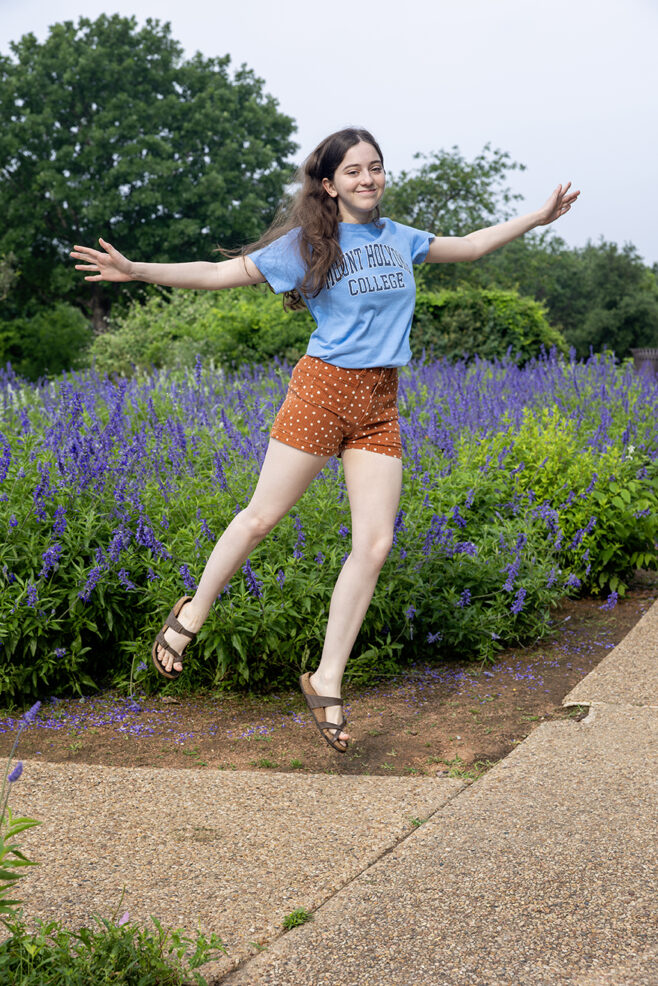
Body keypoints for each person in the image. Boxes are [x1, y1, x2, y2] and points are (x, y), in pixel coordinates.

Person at [71, 127, 579, 753]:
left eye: (377, 168)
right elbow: (219, 273)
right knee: (261, 518)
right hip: (322, 390)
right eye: (355, 171)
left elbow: (472, 246)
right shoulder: (309, 243)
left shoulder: (401, 239)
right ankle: (193, 610)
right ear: (329, 183)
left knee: (375, 542)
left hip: (378, 403)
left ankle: (326, 677)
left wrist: (540, 216)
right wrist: (136, 270)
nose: (369, 179)